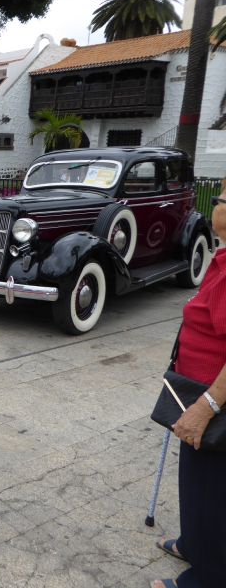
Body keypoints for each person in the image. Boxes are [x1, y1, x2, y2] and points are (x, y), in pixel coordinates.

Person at [152, 181, 226, 588]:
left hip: (214, 402)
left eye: (219, 199)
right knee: (197, 484)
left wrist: (205, 408)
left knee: (213, 491)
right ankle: (195, 544)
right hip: (195, 388)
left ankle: (210, 577)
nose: (214, 203)